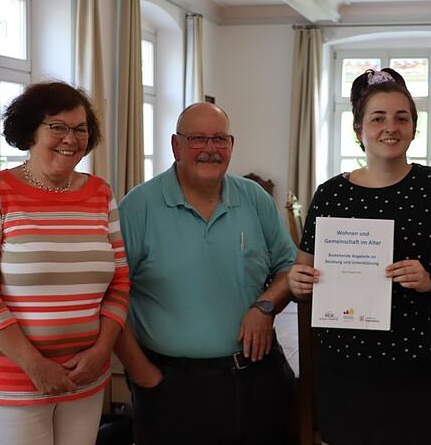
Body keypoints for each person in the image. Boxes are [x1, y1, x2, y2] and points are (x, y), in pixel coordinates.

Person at [288, 68, 431, 445]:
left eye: (402, 117)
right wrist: (298, 281)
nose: (390, 127)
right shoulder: (330, 194)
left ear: (414, 126)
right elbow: (303, 271)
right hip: (345, 367)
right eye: (377, 118)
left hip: (423, 365)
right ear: (358, 128)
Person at [115, 102, 297, 445]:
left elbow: (289, 267)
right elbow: (111, 296)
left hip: (257, 376)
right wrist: (140, 372)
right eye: (198, 139)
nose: (210, 149)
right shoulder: (138, 207)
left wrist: (265, 306)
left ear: (231, 145)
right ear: (176, 146)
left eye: (219, 139)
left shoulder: (254, 198)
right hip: (172, 384)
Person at [0, 82, 129, 445]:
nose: (71, 138)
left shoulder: (101, 193)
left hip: (85, 377)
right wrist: (36, 367)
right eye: (57, 127)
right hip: (15, 378)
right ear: (30, 131)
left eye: (80, 128)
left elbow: (120, 283)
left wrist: (101, 352)